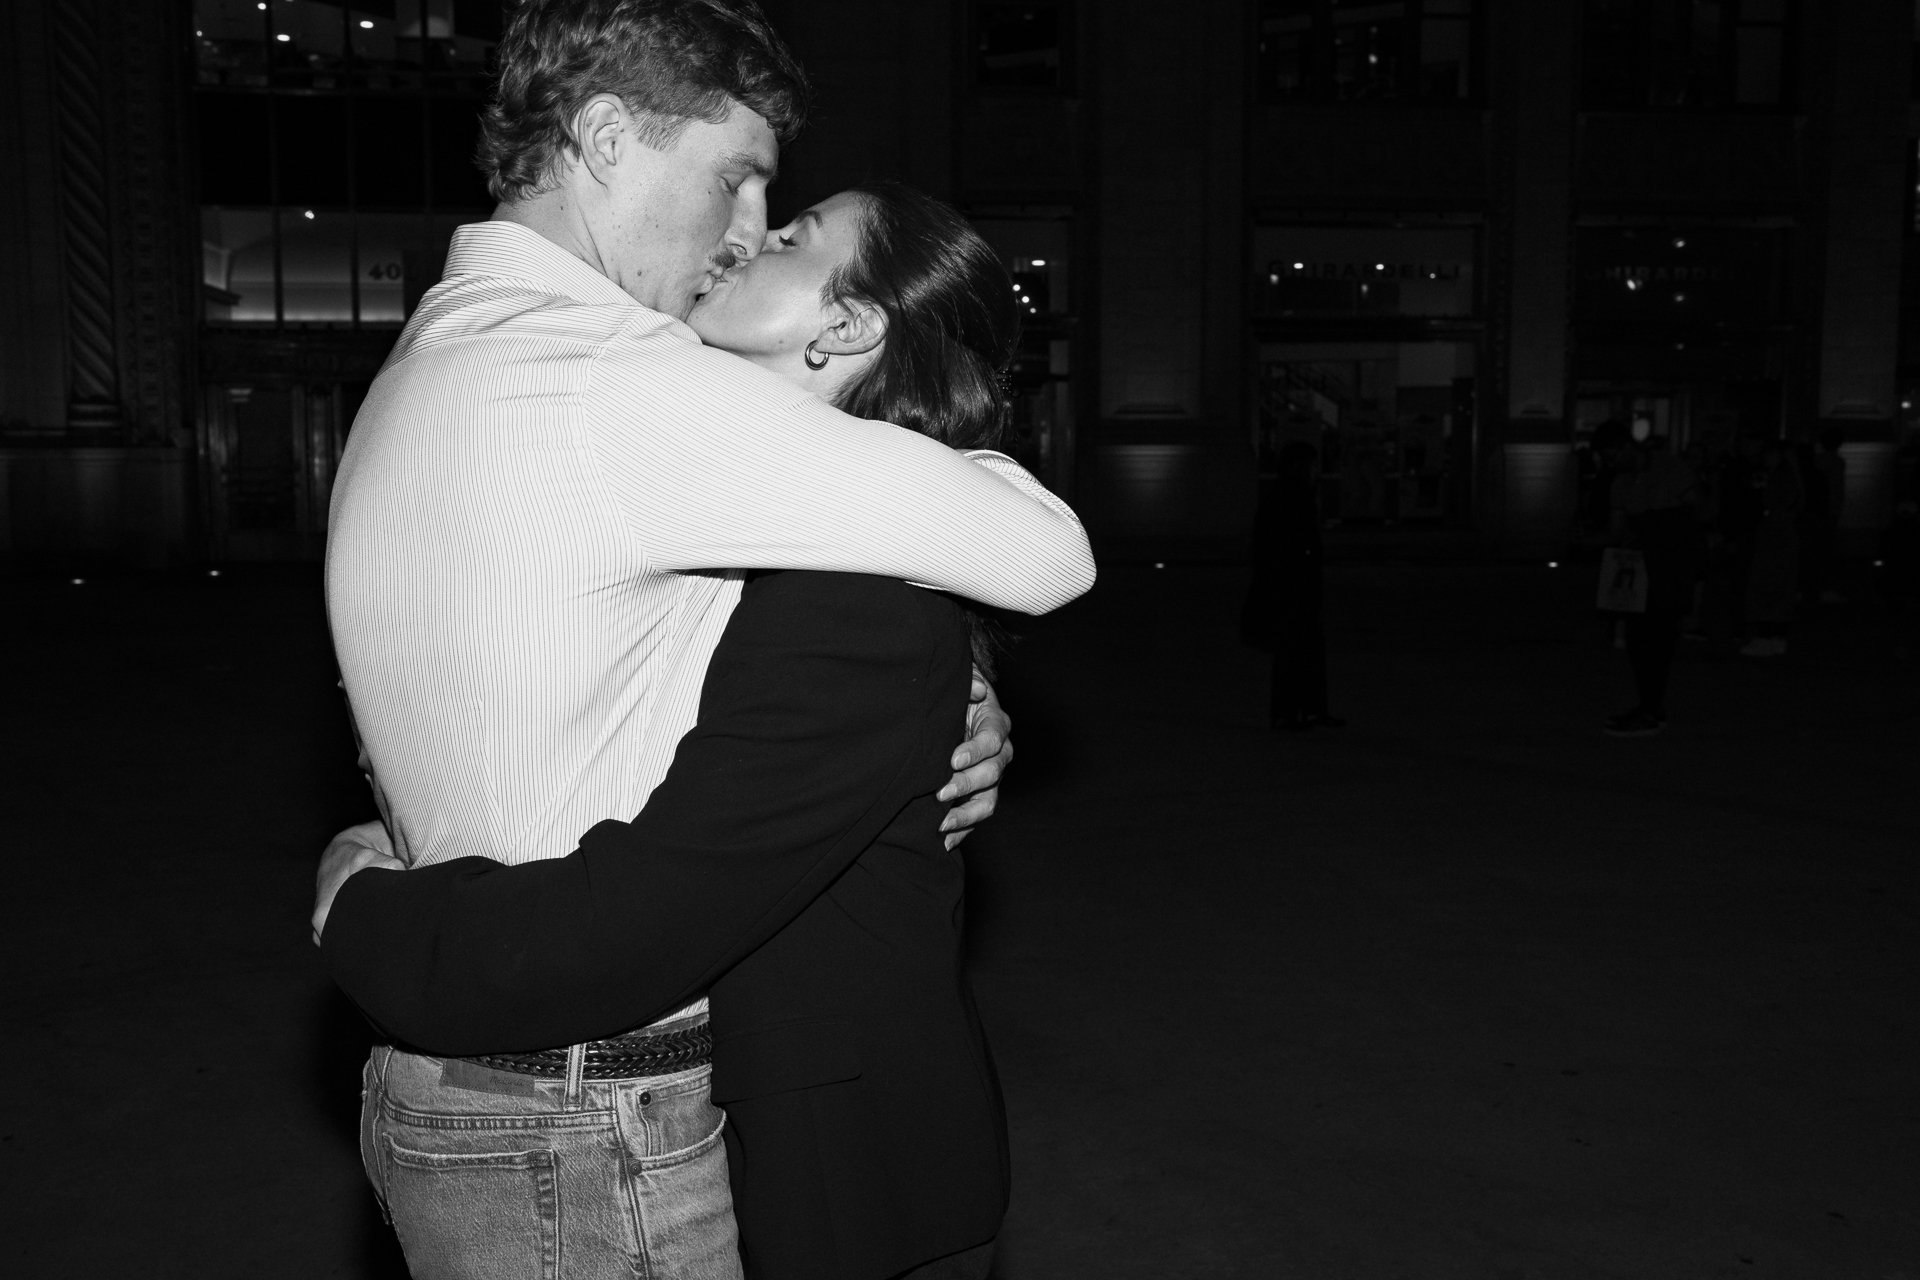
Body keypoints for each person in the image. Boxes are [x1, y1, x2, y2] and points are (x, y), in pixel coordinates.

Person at [317, 3, 1095, 1277]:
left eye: (779, 217)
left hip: (517, 1096)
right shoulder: (611, 385)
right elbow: (1047, 550)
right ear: (608, 138)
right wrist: (363, 907)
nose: (741, 235)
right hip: (570, 1107)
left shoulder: (458, 347)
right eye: (737, 180)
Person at [1596, 423, 1698, 736]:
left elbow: (1699, 510)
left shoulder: (1670, 468)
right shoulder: (1621, 481)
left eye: (1613, 455)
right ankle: (1648, 705)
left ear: (1628, 447)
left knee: (1659, 639)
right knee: (1638, 640)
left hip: (1669, 561)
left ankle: (1652, 708)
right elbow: (1618, 528)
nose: (1611, 463)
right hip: (1639, 564)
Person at [1244, 441, 1342, 730]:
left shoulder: (1285, 495)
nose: (1315, 471)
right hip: (1292, 585)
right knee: (1296, 649)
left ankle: (1301, 710)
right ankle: (1296, 711)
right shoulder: (1293, 496)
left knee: (1300, 649)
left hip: (1291, 583)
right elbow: (1288, 544)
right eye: (1311, 465)